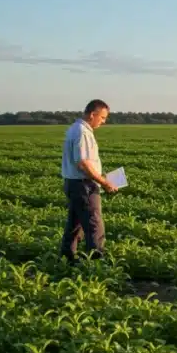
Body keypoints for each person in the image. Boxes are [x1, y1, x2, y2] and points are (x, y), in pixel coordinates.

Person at [60, 99, 118, 264]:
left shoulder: (74, 128)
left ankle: (67, 258)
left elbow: (84, 162)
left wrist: (99, 175)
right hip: (84, 186)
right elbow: (83, 163)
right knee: (94, 225)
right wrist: (104, 182)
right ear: (92, 114)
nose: (103, 121)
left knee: (75, 224)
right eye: (102, 117)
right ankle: (96, 263)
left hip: (74, 184)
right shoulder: (82, 132)